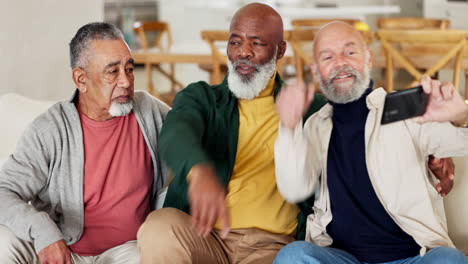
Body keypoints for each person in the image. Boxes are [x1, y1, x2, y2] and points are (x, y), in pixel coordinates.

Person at [136, 4, 455, 264]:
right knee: (158, 227)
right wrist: (198, 171)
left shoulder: (311, 109)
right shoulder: (202, 97)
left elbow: (369, 120)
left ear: (280, 51)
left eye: (257, 43)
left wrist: (431, 149)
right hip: (203, 234)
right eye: (235, 41)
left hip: (270, 245)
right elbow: (175, 133)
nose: (243, 52)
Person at [273, 21, 468, 264]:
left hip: (410, 258)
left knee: (449, 260)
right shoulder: (314, 124)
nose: (340, 62)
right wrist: (289, 128)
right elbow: (294, 188)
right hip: (342, 259)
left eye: (350, 52)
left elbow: (459, 141)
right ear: (315, 71)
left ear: (369, 59)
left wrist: (461, 117)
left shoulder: (405, 107)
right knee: (293, 256)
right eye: (327, 57)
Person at [0, 22, 169, 264]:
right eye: (113, 72)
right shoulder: (49, 129)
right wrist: (43, 232)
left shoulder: (148, 111)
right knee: (2, 243)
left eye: (130, 69)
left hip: (128, 251)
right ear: (81, 79)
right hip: (64, 249)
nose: (126, 81)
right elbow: (3, 192)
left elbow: (192, 131)